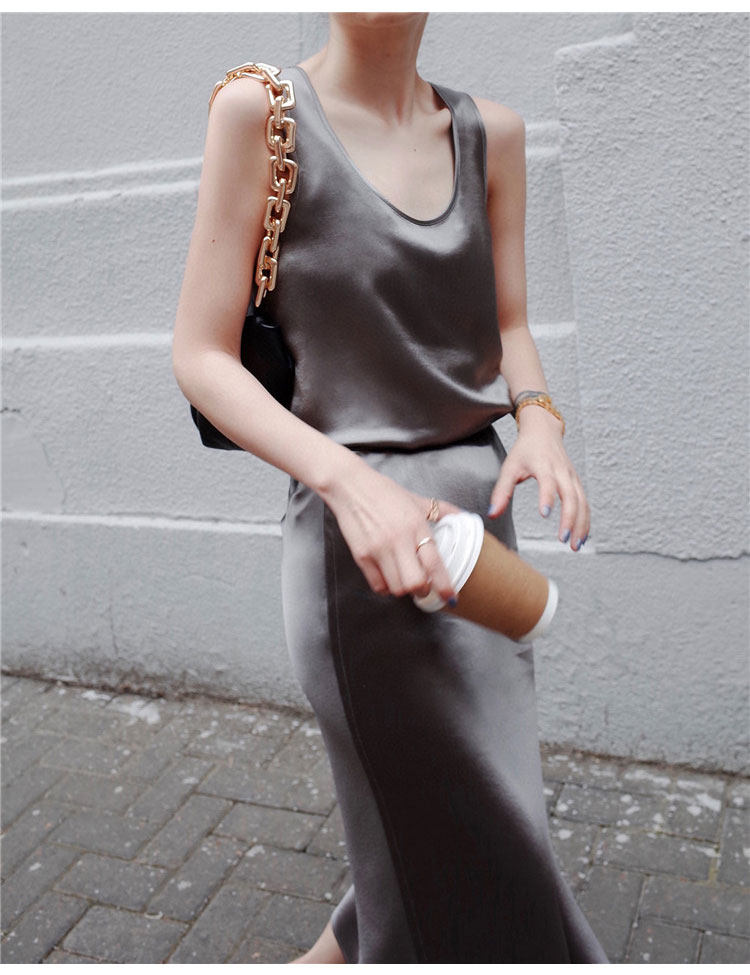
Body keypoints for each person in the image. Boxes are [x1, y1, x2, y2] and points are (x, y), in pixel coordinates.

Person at [172, 11, 607, 964]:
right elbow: (201, 355)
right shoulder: (261, 113)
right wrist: (349, 482)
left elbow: (510, 323)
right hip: (359, 546)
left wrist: (538, 420)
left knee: (461, 810)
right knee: (494, 843)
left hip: (479, 528)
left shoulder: (493, 134)